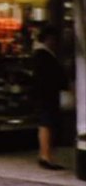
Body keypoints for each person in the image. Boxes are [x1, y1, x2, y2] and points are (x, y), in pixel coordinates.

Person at [32, 25, 68, 170]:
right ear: (49, 39)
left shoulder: (41, 54)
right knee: (47, 123)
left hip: (45, 95)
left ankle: (45, 155)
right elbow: (50, 76)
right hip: (47, 95)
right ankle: (46, 156)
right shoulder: (43, 55)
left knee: (46, 123)